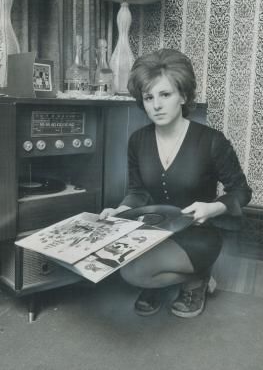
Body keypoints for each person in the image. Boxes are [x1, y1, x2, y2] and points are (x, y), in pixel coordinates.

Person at [100, 48, 252, 318]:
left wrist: (212, 208)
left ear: (183, 96)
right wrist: (120, 211)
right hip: (154, 232)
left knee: (134, 272)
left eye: (165, 94)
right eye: (148, 97)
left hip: (198, 235)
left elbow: (241, 192)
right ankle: (162, 275)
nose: (156, 105)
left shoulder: (212, 141)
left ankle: (197, 280)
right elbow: (137, 191)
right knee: (117, 265)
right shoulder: (138, 140)